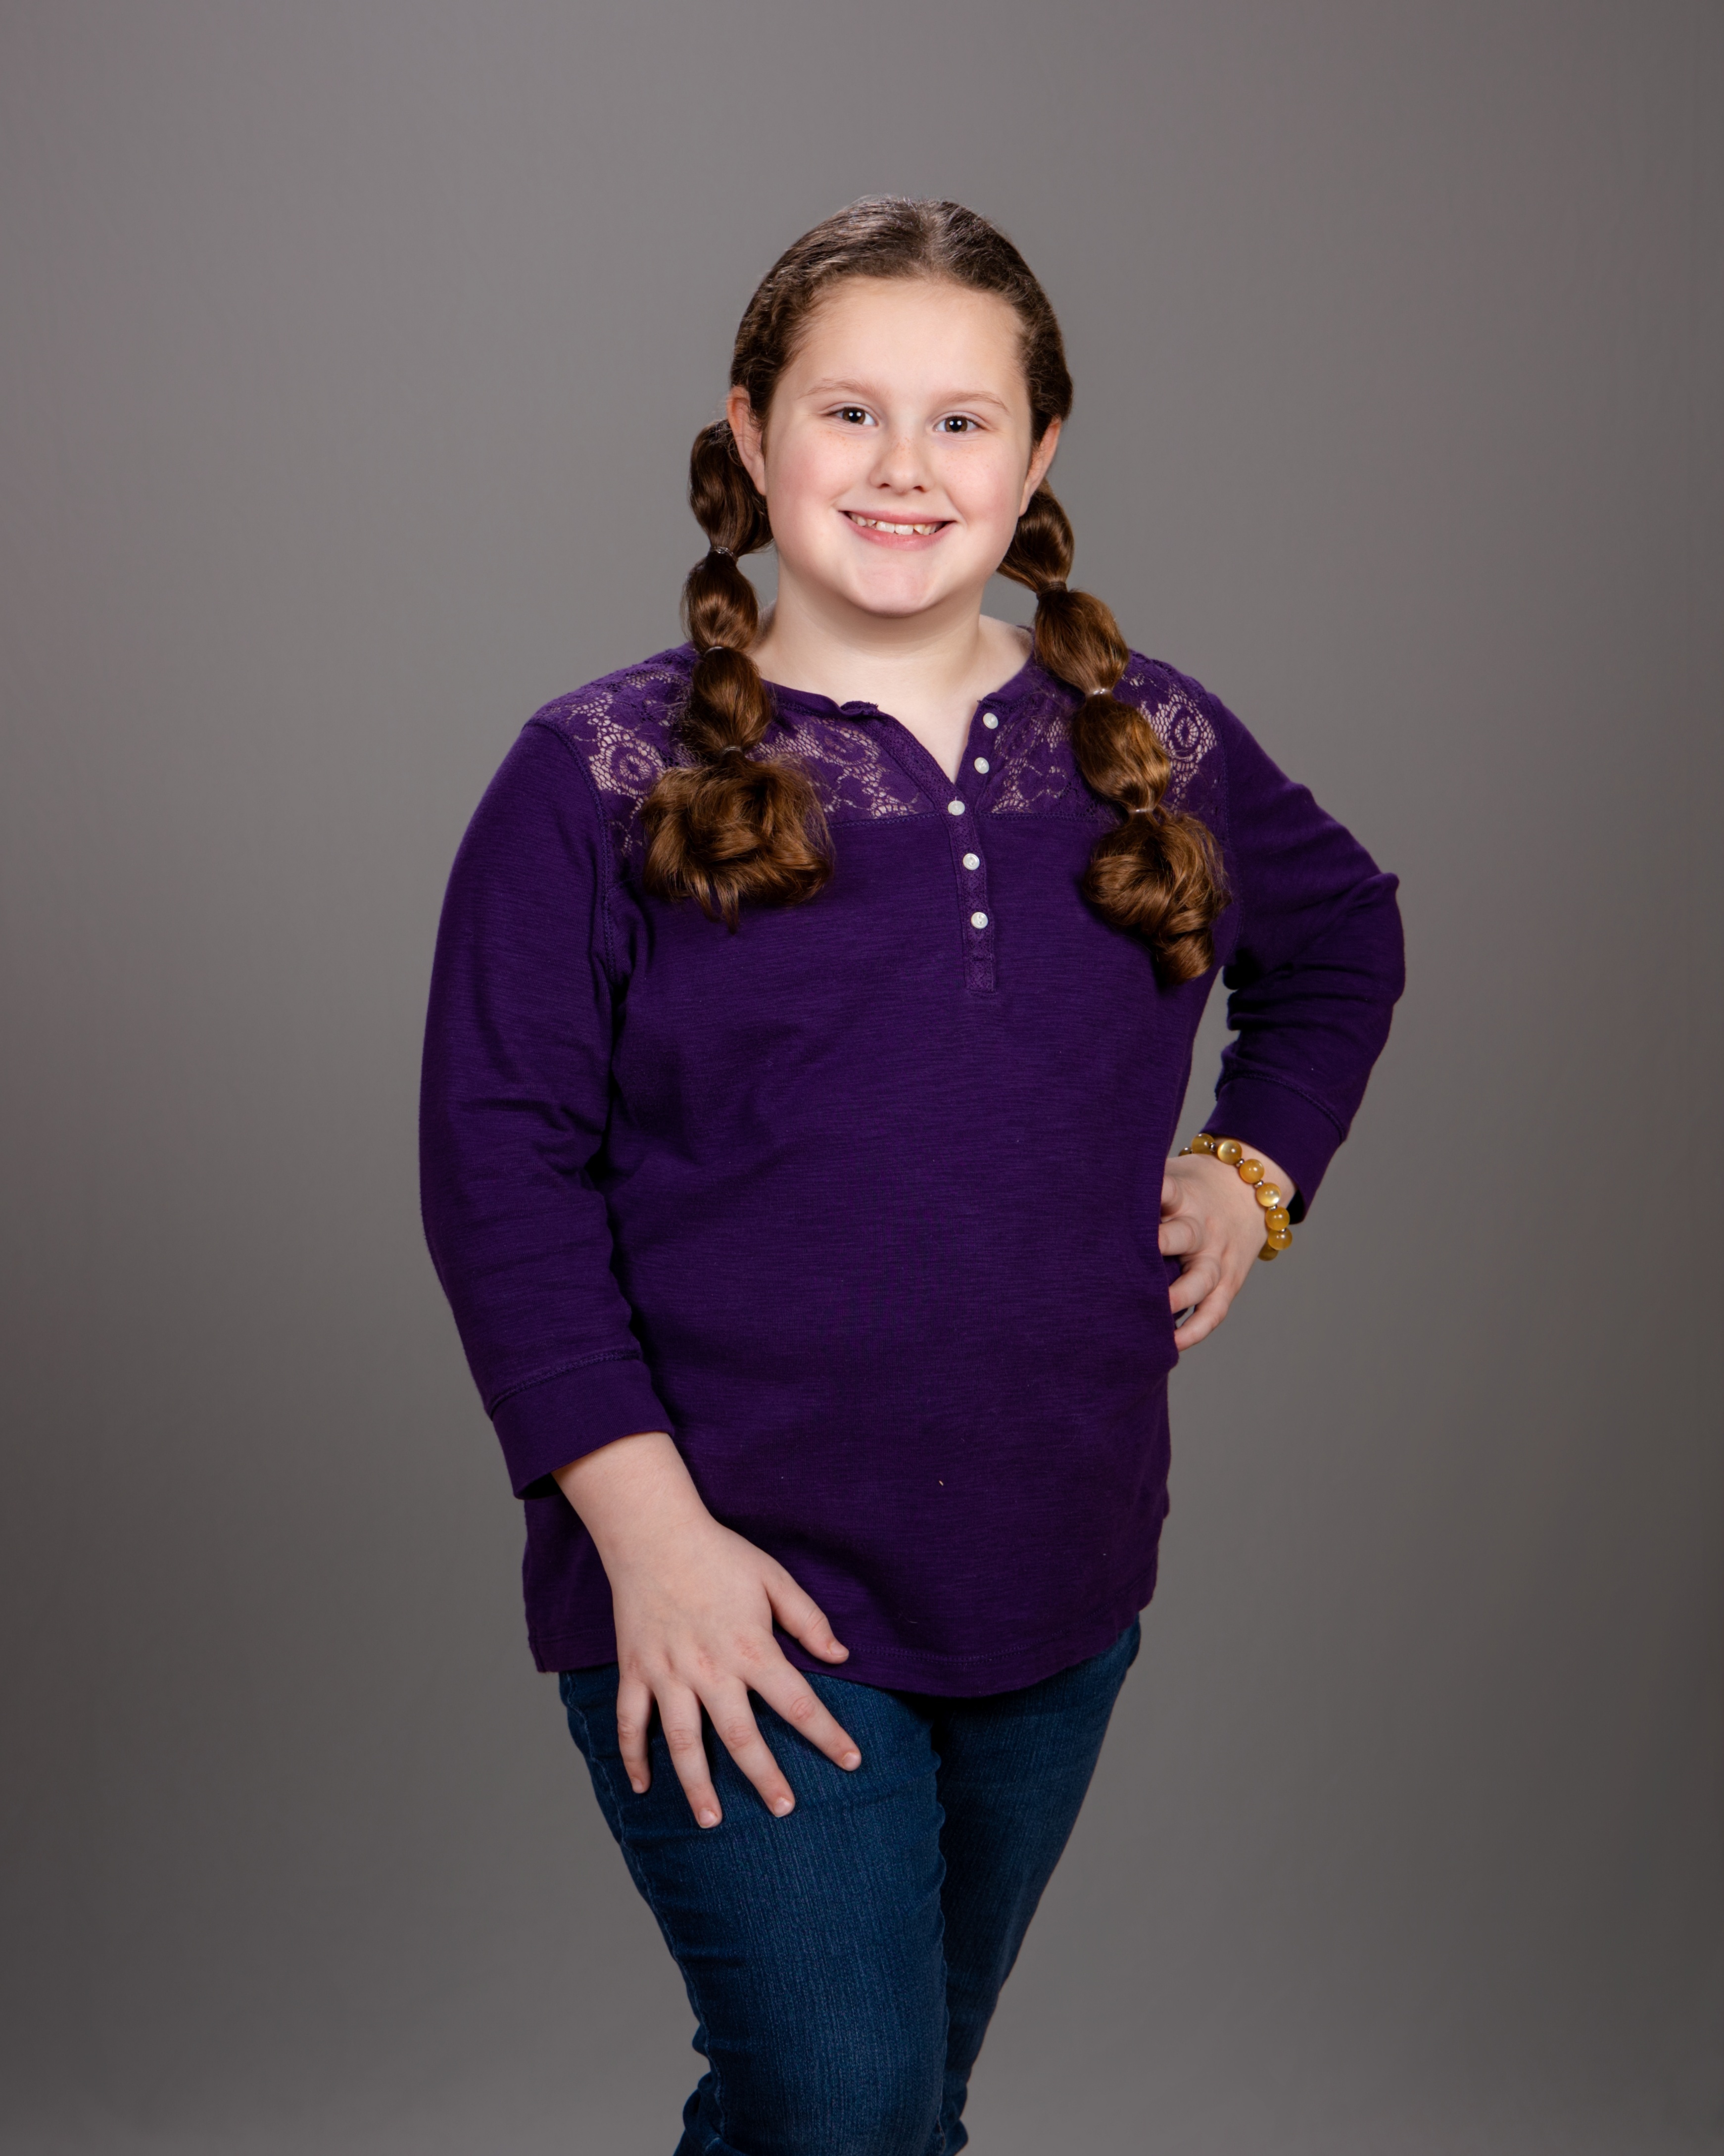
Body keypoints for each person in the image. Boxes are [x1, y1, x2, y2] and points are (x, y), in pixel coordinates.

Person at [419, 197, 1404, 2156]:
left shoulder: (1149, 744)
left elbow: (1342, 937)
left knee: (879, 2114)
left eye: (962, 421)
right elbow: (496, 1168)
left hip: (1058, 1561)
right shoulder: (598, 774)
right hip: (728, 1580)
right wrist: (652, 1548)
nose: (903, 466)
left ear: (1037, 457)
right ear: (749, 431)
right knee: (845, 2111)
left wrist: (1249, 1169)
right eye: (847, 411)